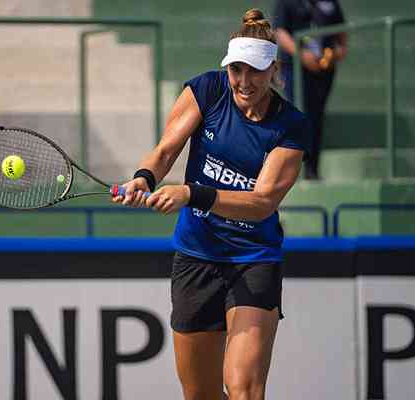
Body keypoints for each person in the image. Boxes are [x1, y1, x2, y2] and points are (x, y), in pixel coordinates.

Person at [113, 8, 312, 400]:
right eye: (236, 70)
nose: (243, 81)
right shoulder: (207, 89)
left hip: (254, 258)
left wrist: (191, 193)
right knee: (200, 394)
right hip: (196, 255)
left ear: (273, 69)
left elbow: (262, 202)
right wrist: (144, 177)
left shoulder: (291, 125)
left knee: (243, 390)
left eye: (255, 71)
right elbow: (167, 149)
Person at [273, 0, 347, 179]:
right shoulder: (287, 3)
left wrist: (338, 52)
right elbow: (280, 32)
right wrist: (302, 55)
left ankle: (311, 169)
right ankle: (290, 167)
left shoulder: (330, 3)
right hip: (294, 67)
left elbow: (341, 32)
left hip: (323, 69)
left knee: (316, 115)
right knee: (298, 113)